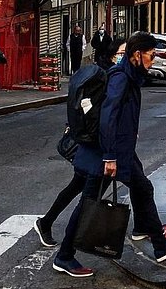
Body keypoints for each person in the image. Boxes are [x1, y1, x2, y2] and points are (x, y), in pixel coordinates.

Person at [52, 32, 166, 277]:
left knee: (143, 188)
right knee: (88, 204)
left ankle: (159, 244)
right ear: (137, 55)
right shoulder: (120, 78)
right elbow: (108, 117)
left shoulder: (130, 76)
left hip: (122, 151)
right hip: (108, 154)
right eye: (151, 55)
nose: (153, 60)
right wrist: (109, 157)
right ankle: (64, 256)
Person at [35, 39, 127, 253]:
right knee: (87, 195)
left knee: (76, 187)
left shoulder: (103, 74)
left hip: (89, 146)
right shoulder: (108, 77)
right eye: (121, 53)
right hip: (96, 147)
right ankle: (66, 247)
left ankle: (47, 223)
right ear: (112, 55)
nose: (124, 57)